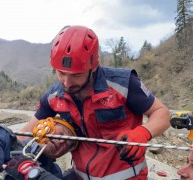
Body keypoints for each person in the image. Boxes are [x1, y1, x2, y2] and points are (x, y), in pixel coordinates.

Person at [17, 25, 171, 180]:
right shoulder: (54, 96)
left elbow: (162, 113)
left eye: (76, 75)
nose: (67, 82)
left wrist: (142, 133)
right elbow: (24, 134)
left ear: (93, 66)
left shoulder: (123, 84)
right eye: (61, 73)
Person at [0, 118, 78, 180]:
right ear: (44, 126)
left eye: (67, 143)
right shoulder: (3, 138)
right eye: (61, 133)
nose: (61, 141)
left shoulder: (54, 172)